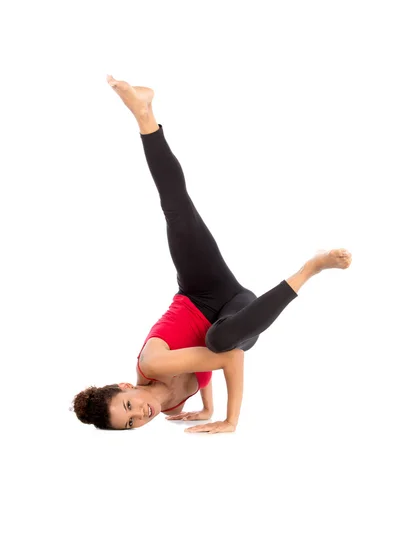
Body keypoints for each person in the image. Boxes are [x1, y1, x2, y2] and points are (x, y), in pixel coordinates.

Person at [72, 75, 352, 434]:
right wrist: (207, 408)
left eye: (128, 406)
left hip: (201, 291)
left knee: (177, 210)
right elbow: (202, 369)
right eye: (130, 424)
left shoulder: (152, 363)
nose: (139, 414)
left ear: (127, 386)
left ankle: (144, 114)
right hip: (236, 313)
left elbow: (227, 358)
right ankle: (310, 269)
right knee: (220, 338)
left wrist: (229, 420)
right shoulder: (169, 404)